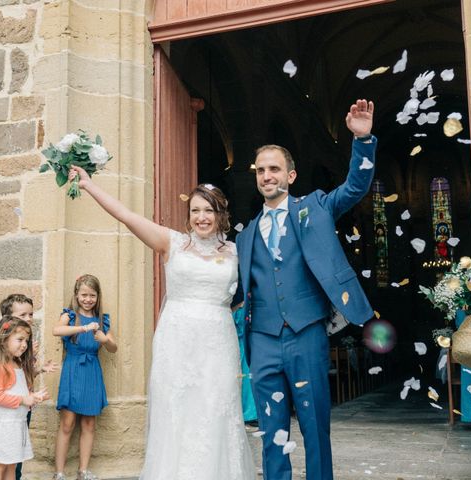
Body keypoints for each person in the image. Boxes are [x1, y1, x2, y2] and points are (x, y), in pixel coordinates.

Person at [68, 166, 256, 479]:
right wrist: (90, 186)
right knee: (176, 410)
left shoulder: (239, 253)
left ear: (221, 213)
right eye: (195, 210)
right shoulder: (173, 243)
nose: (201, 217)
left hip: (217, 343)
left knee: (216, 410)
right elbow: (127, 216)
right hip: (177, 341)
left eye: (208, 210)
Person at [235, 99, 376, 480]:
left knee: (315, 425)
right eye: (261, 170)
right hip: (262, 338)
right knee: (271, 429)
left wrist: (362, 141)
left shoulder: (315, 207)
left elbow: (355, 188)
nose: (267, 175)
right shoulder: (246, 236)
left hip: (307, 330)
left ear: (290, 176)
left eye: (274, 169)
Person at [52, 274, 117, 480]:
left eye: (92, 295)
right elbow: (57, 330)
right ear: (76, 295)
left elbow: (113, 348)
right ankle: (60, 473)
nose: (88, 299)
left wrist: (104, 339)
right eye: (84, 295)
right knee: (67, 423)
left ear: (98, 297)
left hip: (92, 372)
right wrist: (83, 328)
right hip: (73, 369)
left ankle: (83, 470)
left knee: (89, 424)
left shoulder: (102, 320)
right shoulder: (70, 315)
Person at [0, 294, 58, 480]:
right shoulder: (7, 347)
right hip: (12, 406)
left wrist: (38, 368)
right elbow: (7, 378)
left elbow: (23, 375)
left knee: (18, 451)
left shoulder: (25, 342)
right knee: (8, 456)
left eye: (31, 314)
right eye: (23, 315)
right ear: (8, 319)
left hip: (24, 405)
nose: (29, 319)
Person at [0, 316, 49, 480]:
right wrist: (23, 400)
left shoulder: (18, 364)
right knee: (0, 465)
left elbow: (20, 392)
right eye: (20, 339)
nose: (24, 344)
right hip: (5, 426)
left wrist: (33, 398)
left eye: (26, 340)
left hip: (17, 425)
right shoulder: (0, 366)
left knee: (12, 465)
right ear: (4, 340)